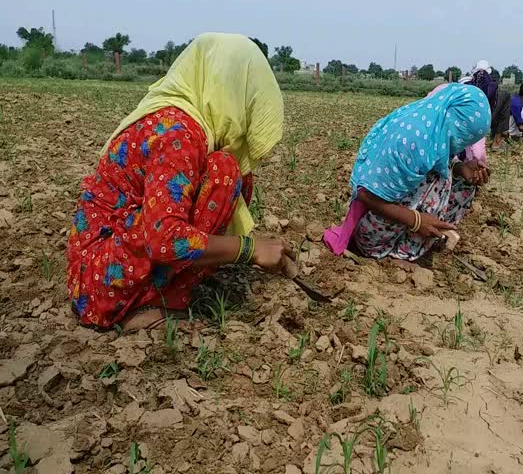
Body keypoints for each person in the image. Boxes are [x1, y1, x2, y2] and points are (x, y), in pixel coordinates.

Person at [66, 33, 295, 331]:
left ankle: (157, 292)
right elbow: (166, 240)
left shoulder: (184, 123)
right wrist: (249, 249)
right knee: (224, 171)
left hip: (102, 266)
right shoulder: (179, 134)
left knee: (230, 172)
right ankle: (144, 305)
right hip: (98, 284)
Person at [324, 84, 492, 261]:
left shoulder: (432, 126)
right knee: (437, 179)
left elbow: (442, 161)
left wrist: (462, 168)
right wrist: (417, 220)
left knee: (463, 183)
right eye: (462, 138)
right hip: (372, 236)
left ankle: (422, 237)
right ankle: (400, 252)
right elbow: (364, 194)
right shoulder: (415, 141)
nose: (461, 145)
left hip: (395, 218)